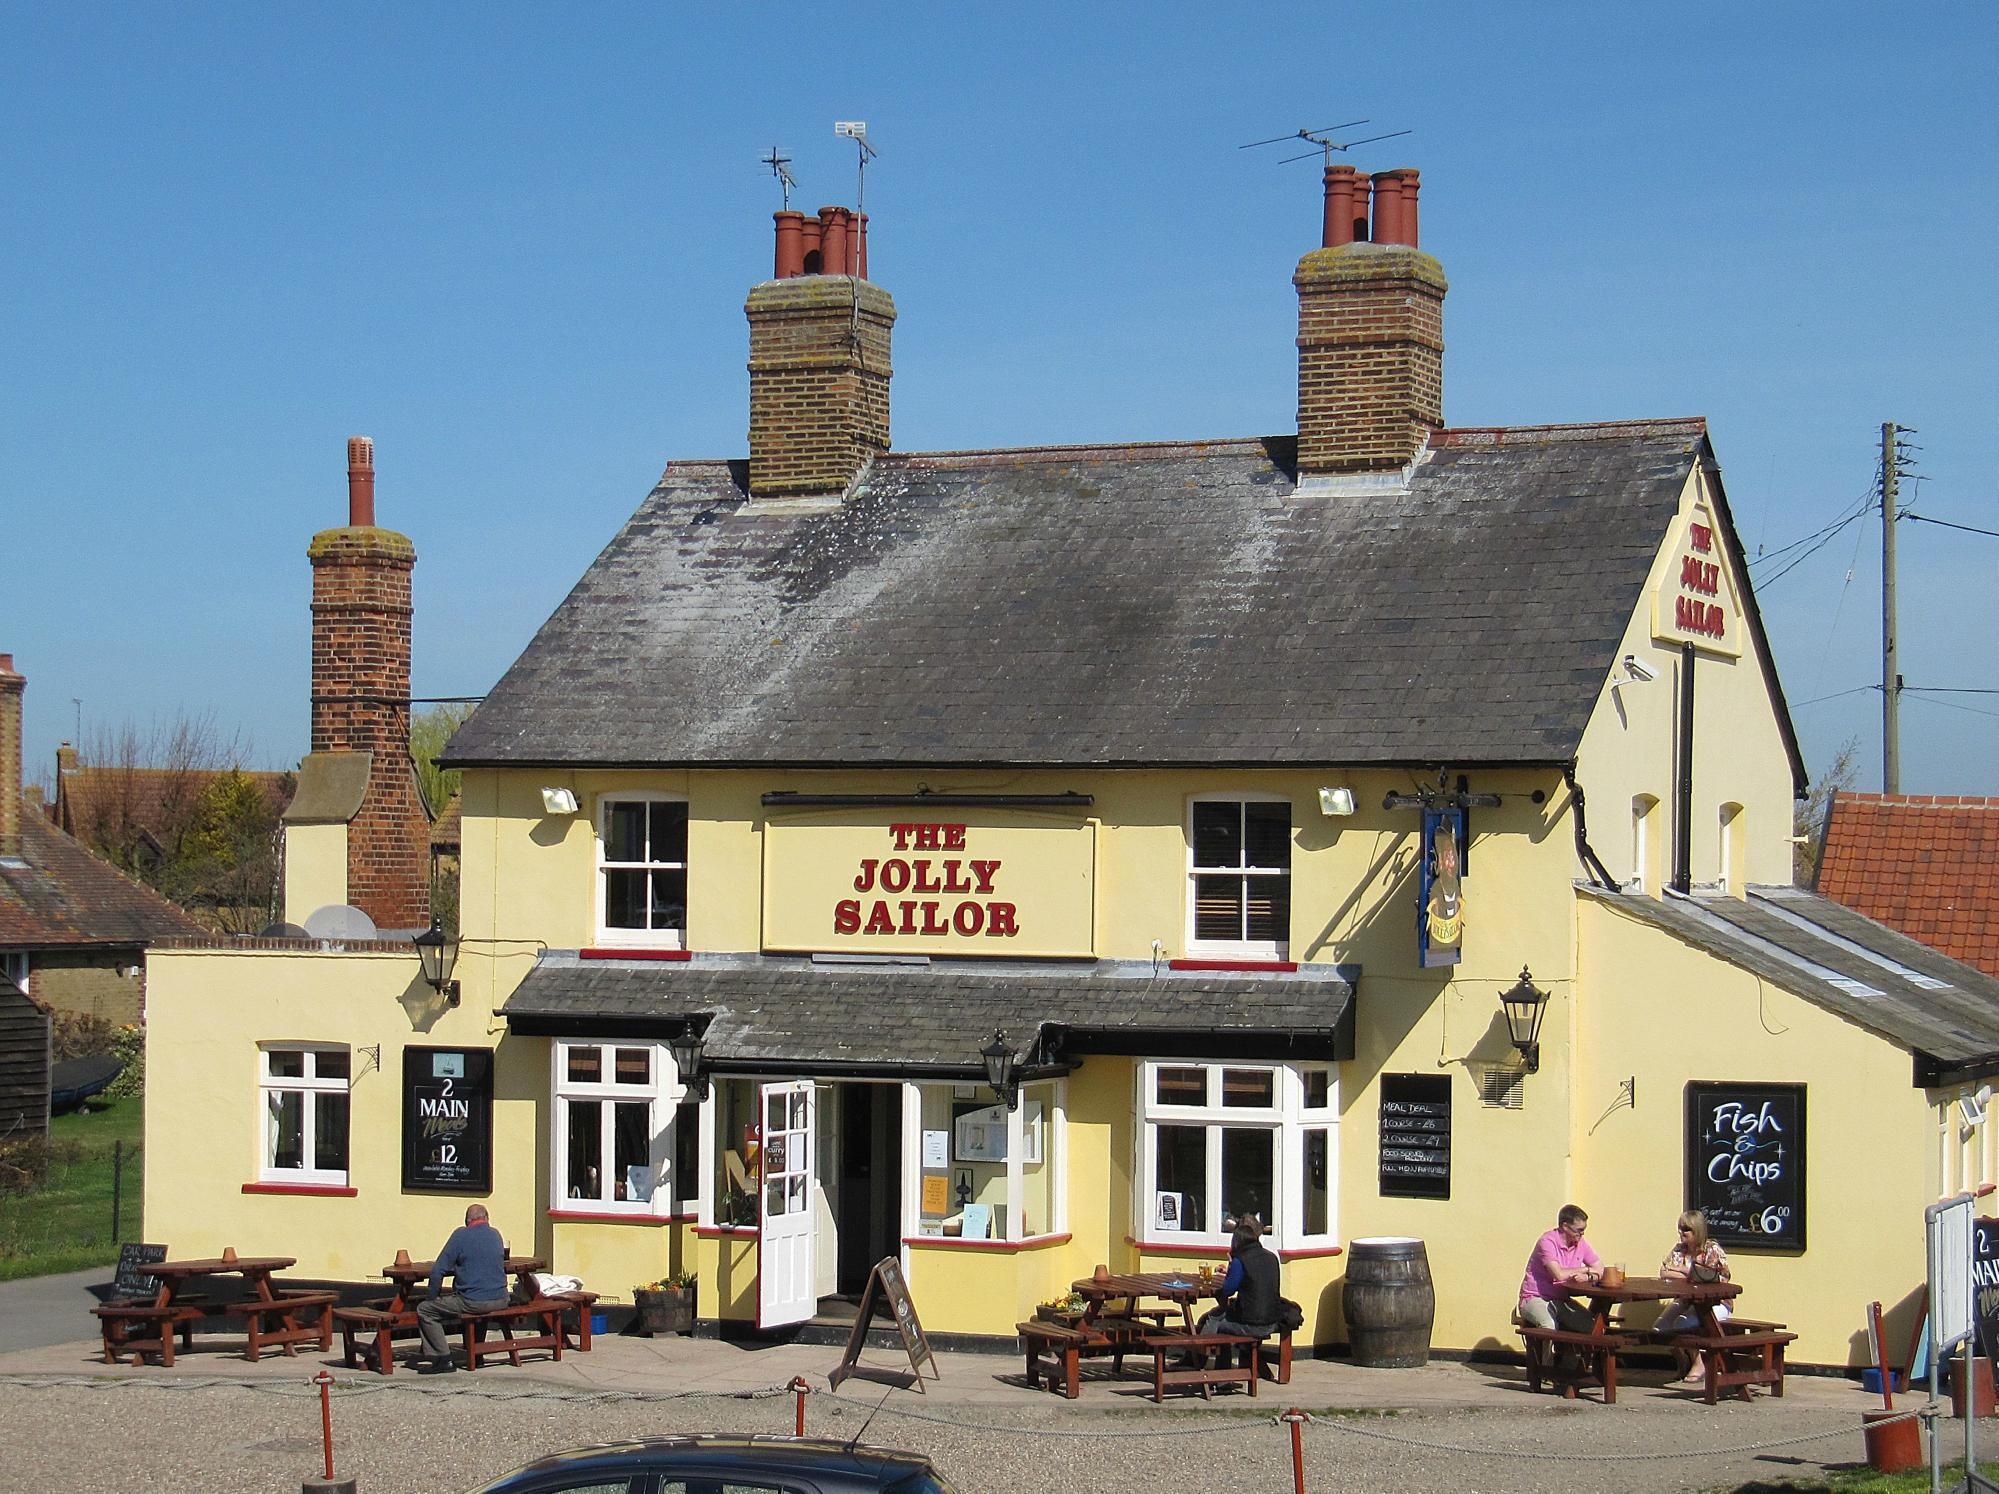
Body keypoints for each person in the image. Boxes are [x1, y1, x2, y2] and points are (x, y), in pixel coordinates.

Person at [417, 1203, 511, 1373]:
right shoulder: (495, 1234)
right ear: (487, 1218)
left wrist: (432, 1297)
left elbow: (438, 1270)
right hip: (501, 1299)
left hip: (474, 1301)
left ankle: (442, 1358)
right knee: (478, 1310)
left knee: (425, 1310)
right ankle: (477, 1355)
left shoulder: (461, 1235)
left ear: (467, 1220)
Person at [1191, 1217, 1282, 1373]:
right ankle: (1201, 1363)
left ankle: (1201, 1365)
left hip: (1252, 1324)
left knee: (1214, 1321)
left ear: (1236, 1242)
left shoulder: (1240, 1261)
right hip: (1273, 1320)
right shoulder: (1271, 1257)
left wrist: (1232, 1265)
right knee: (1216, 1315)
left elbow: (1228, 1290)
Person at [1657, 1209, 1730, 1381]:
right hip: (1686, 1301)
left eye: (1686, 1229)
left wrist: (1682, 1271)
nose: (1681, 1232)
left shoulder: (1712, 1250)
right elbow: (1664, 1271)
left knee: (1682, 1324)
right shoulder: (1679, 1249)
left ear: (1697, 1230)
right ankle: (1683, 1360)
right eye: (1680, 1228)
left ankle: (1699, 1363)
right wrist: (1692, 1273)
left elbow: (1721, 1278)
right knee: (1660, 1329)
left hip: (1715, 1304)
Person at [1517, 1203, 1603, 1333]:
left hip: (1561, 1299)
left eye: (1584, 1229)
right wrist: (1585, 1269)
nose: (1582, 1234)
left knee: (1593, 1327)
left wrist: (1587, 1277)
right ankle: (1546, 1354)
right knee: (1549, 1325)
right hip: (1536, 1297)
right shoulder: (1547, 1242)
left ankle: (1570, 1353)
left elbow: (1600, 1268)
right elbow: (1559, 1275)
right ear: (1565, 1227)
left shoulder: (1580, 1243)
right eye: (1579, 1230)